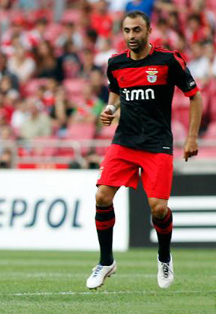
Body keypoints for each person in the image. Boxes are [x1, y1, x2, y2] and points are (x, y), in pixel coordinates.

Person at [86, 11, 203, 290]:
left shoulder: (167, 60)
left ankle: (164, 257)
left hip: (157, 143)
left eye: (137, 30)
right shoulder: (115, 63)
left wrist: (192, 138)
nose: (131, 36)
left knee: (158, 209)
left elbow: (195, 97)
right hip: (124, 140)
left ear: (149, 30)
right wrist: (111, 109)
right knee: (102, 196)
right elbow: (117, 93)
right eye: (127, 31)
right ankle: (106, 261)